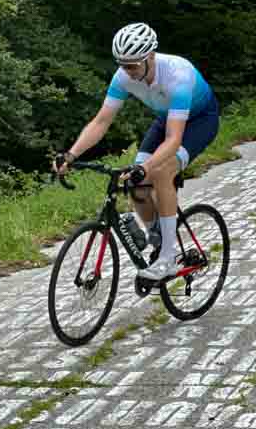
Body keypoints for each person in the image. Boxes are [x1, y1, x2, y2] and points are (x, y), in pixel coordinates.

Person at [54, 22, 220, 282]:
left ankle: (168, 257)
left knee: (162, 171)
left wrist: (147, 167)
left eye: (132, 66)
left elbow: (174, 139)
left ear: (150, 56)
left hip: (200, 120)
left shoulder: (178, 75)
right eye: (122, 65)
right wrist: (71, 155)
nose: (127, 72)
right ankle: (159, 237)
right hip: (167, 118)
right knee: (135, 182)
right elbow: (101, 122)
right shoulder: (123, 76)